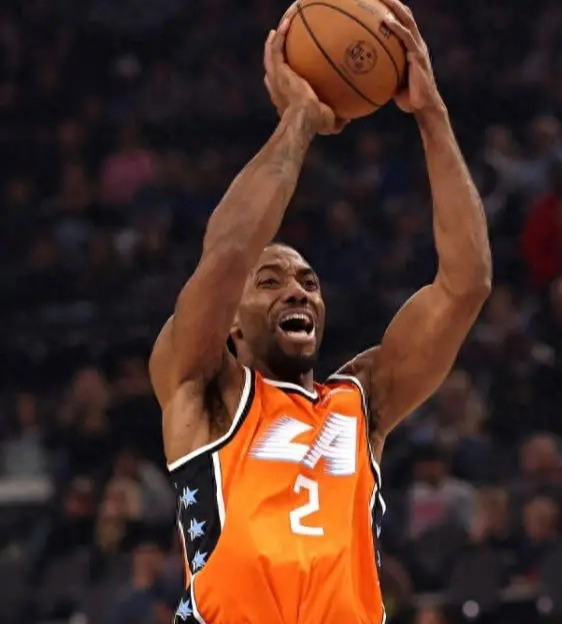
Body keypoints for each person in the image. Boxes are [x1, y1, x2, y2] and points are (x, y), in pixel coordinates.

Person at [148, 2, 492, 622]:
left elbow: (465, 285)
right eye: (271, 281)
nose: (298, 292)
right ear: (231, 320)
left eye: (309, 282)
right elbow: (227, 253)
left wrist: (432, 114)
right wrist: (300, 120)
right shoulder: (203, 390)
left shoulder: (363, 400)